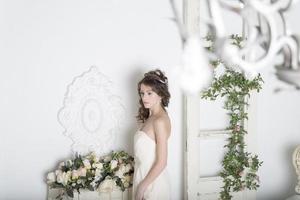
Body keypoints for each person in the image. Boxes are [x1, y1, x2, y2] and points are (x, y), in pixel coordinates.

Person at [133, 69, 171, 200]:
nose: (144, 98)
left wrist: (142, 188)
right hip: (143, 178)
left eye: (149, 93)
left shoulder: (160, 121)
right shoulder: (152, 117)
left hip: (152, 186)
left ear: (160, 95)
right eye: (142, 93)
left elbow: (162, 162)